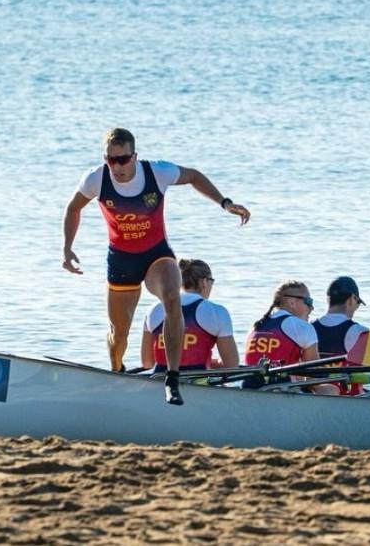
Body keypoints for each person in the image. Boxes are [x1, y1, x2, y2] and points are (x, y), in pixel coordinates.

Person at [62, 128, 251, 406]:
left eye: (122, 160)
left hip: (156, 256)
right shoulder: (95, 179)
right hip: (121, 260)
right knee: (119, 332)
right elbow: (73, 209)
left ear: (134, 156)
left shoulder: (157, 172)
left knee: (172, 299)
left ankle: (172, 379)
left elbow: (194, 176)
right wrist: (67, 248)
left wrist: (225, 203)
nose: (116, 167)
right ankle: (116, 370)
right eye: (110, 160)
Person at [140, 258, 239, 372]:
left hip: (160, 381)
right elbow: (231, 366)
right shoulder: (217, 312)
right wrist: (209, 361)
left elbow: (147, 362)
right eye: (212, 281)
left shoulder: (153, 310)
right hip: (197, 383)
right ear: (204, 282)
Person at [242, 281, 333, 394]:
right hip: (282, 392)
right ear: (292, 302)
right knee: (330, 389)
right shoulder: (302, 327)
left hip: (248, 389)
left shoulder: (255, 326)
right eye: (308, 302)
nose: (312, 308)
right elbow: (313, 377)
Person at [312, 276, 370, 396]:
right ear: (351, 300)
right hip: (348, 400)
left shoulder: (307, 328)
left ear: (329, 300)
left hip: (314, 395)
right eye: (358, 303)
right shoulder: (360, 332)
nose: (356, 307)